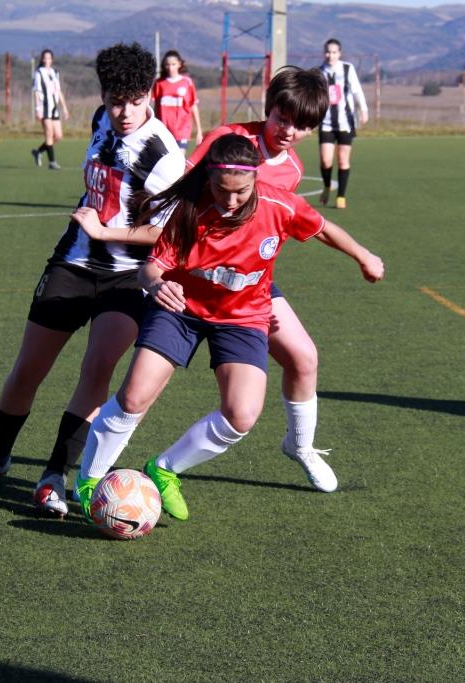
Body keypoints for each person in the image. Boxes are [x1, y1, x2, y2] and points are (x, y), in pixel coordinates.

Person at [74, 134, 385, 521]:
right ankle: (89, 482)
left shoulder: (280, 204)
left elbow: (323, 229)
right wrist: (157, 284)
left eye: (241, 191)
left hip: (243, 317)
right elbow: (150, 267)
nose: (231, 201)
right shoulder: (190, 209)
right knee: (135, 396)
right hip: (181, 308)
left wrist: (363, 255)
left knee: (241, 414)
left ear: (256, 179)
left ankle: (164, 468)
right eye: (222, 191)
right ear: (209, 180)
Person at [0, 43, 186, 518]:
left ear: (150, 95)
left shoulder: (165, 155)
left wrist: (103, 230)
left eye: (134, 101)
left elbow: (162, 232)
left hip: (125, 278)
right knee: (28, 369)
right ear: (103, 96)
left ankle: (55, 474)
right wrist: (90, 227)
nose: (123, 112)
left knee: (96, 371)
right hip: (71, 266)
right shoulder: (101, 120)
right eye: (115, 100)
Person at [186, 66, 344, 493]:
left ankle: (301, 446)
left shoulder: (291, 169)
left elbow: (278, 229)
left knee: (304, 358)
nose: (290, 131)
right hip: (190, 276)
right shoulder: (227, 137)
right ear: (268, 109)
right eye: (283, 119)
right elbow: (178, 193)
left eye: (303, 125)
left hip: (245, 285)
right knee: (140, 384)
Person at [318, 38, 368, 209]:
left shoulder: (347, 69)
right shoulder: (319, 73)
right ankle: (326, 186)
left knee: (343, 159)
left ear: (339, 53)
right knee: (325, 161)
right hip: (326, 123)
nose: (330, 55)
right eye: (327, 52)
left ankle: (341, 196)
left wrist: (364, 110)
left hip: (346, 123)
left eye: (333, 52)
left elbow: (357, 91)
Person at [152, 50, 203, 151]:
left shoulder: (187, 82)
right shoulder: (159, 83)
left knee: (179, 159)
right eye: (167, 64)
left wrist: (199, 130)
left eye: (173, 64)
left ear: (179, 64)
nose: (170, 67)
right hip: (164, 130)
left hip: (181, 129)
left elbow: (193, 105)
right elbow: (156, 107)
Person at [31, 49, 69, 170]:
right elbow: (36, 92)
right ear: (42, 59)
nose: (47, 60)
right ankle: (52, 162)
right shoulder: (39, 73)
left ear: (52, 59)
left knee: (58, 136)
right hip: (44, 107)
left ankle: (38, 151)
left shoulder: (54, 72)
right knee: (49, 134)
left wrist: (65, 108)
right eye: (45, 58)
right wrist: (37, 109)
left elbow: (59, 91)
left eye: (49, 58)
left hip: (54, 108)